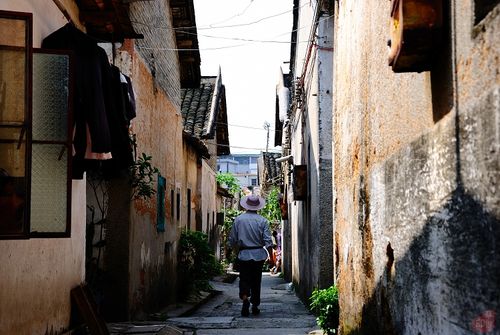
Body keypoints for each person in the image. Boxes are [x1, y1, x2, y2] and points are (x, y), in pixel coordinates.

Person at [229, 194, 274, 317]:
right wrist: (271, 257)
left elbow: (232, 239)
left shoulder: (238, 220)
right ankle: (254, 305)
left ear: (246, 206)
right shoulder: (263, 221)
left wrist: (236, 251)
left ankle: (245, 299)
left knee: (244, 279)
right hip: (259, 255)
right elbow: (268, 241)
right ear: (258, 207)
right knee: (256, 280)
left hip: (244, 254)